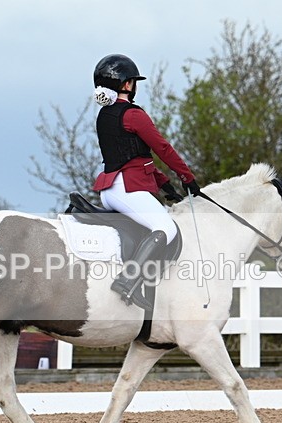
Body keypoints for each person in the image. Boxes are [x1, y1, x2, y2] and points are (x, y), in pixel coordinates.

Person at [92, 53, 201, 310]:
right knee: (166, 227)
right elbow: (162, 149)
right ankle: (127, 282)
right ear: (128, 84)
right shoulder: (133, 115)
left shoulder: (104, 116)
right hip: (126, 189)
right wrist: (188, 178)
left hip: (110, 189)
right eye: (133, 81)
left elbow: (137, 155)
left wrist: (164, 185)